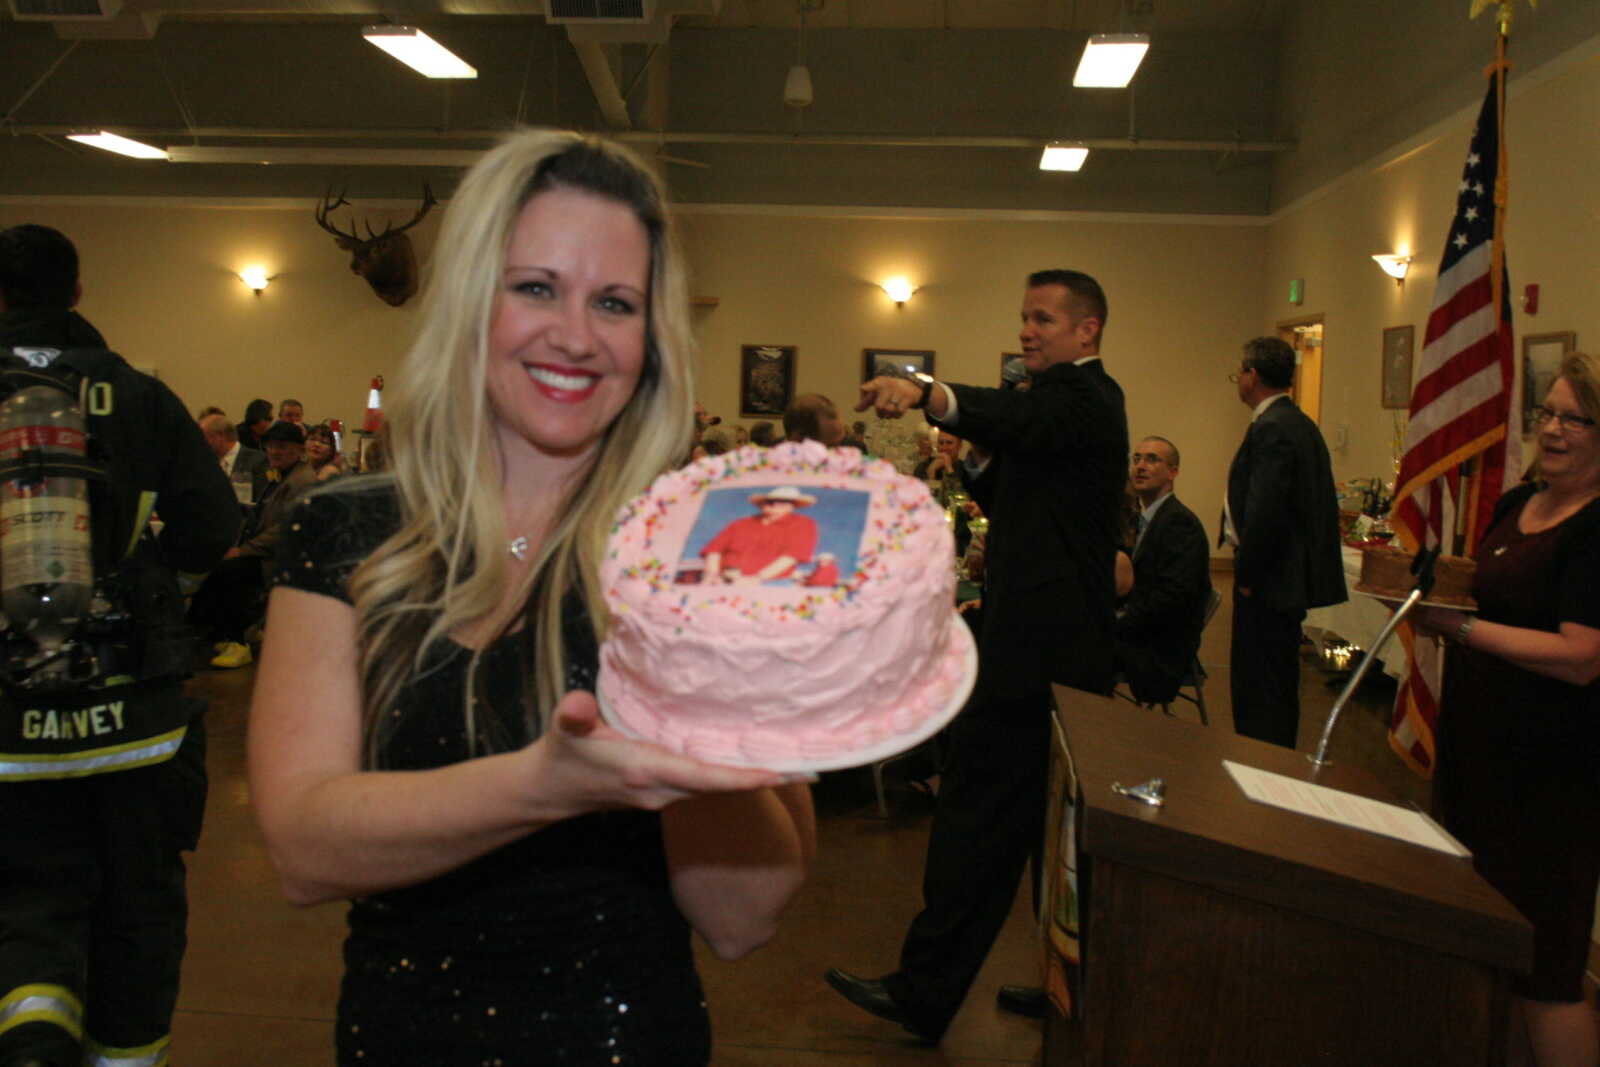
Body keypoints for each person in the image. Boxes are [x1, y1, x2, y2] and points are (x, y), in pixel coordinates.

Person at [247, 130, 815, 1067]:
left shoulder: (706, 553)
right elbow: (305, 849)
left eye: (615, 302)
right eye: (537, 287)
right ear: (473, 300)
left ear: (651, 339)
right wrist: (544, 785)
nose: (576, 336)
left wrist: (683, 691)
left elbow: (743, 916)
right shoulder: (346, 530)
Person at [828, 269, 1127, 1042]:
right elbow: (1022, 498)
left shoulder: (1089, 397)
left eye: (1043, 319)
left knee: (984, 820)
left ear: (1087, 329)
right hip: (1037, 650)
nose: (1027, 329)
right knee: (1026, 830)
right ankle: (1050, 989)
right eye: (1024, 316)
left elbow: (1022, 417)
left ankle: (933, 991)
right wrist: (972, 461)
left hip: (1043, 656)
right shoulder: (1055, 407)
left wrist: (926, 391)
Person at [0, 224, 239, 1067]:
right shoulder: (138, 395)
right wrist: (150, 580)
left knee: (22, 897)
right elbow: (213, 523)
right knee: (140, 905)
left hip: (7, 727)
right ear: (77, 293)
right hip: (134, 719)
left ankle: (31, 1029)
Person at [1410, 352, 1600, 1067]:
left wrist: (1460, 629)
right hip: (1477, 762)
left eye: (1573, 419)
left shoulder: (1595, 529)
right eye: (1545, 413)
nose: (1551, 430)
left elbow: (1582, 656)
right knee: (1482, 947)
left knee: (1546, 974)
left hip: (1550, 783)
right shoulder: (1515, 504)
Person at [1222, 336, 1346, 748]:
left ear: (1253, 375)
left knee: (1260, 684)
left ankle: (1263, 759)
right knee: (1275, 680)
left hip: (1268, 583)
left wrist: (1247, 576)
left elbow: (1265, 511)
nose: (1238, 380)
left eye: (1239, 372)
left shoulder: (1274, 427)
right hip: (1280, 581)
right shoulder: (1296, 422)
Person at [191, 419, 317, 669]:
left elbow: (286, 529)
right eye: (271, 446)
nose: (274, 452)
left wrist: (243, 550)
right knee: (217, 567)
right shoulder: (279, 476)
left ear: (299, 450)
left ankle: (237, 640)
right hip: (266, 551)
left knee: (232, 572)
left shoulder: (302, 481)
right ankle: (216, 632)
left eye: (282, 447)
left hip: (284, 558)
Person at [1114, 436, 1213, 705]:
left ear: (1173, 472)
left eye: (1152, 459)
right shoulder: (1145, 519)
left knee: (1070, 648)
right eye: (1136, 459)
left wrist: (1117, 623)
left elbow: (1172, 599)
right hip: (1143, 634)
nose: (1140, 466)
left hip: (1159, 648)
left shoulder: (1179, 524)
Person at [699, 486, 819, 584]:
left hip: (771, 582)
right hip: (724, 579)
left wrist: (756, 579)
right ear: (762, 504)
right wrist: (712, 575)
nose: (776, 505)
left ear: (792, 506)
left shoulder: (803, 524)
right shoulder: (740, 523)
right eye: (771, 502)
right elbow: (714, 550)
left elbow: (793, 556)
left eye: (784, 503)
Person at [200, 410, 269, 505]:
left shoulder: (258, 461)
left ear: (220, 436)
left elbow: (262, 501)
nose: (201, 443)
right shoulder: (207, 463)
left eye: (203, 437)